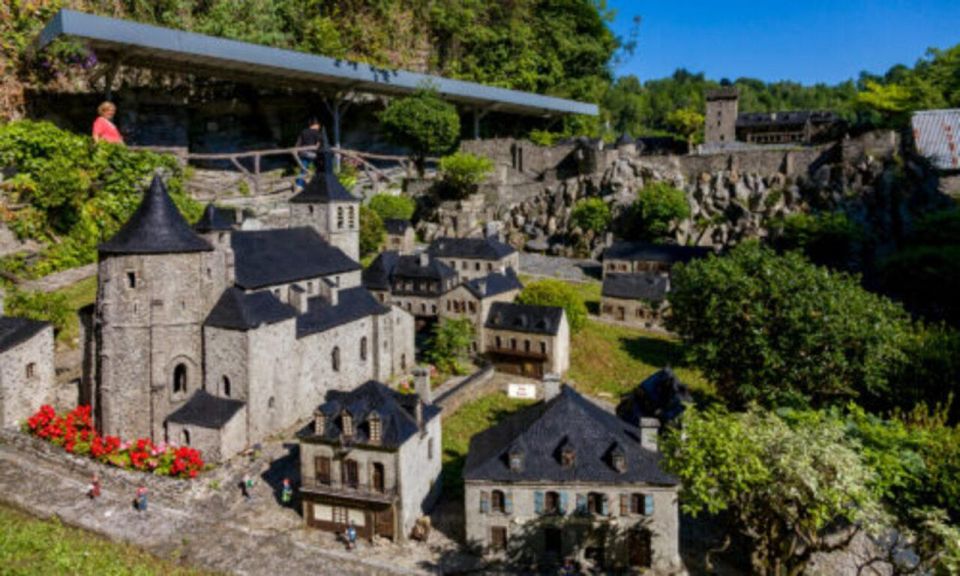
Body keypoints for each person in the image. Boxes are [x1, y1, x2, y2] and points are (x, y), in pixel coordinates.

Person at [294, 117, 323, 188]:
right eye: (318, 125)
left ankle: (299, 184)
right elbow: (318, 145)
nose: (319, 127)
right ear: (315, 125)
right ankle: (318, 182)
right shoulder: (317, 133)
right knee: (319, 167)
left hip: (302, 153)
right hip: (312, 154)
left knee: (303, 168)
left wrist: (296, 152)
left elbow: (298, 143)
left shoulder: (303, 131)